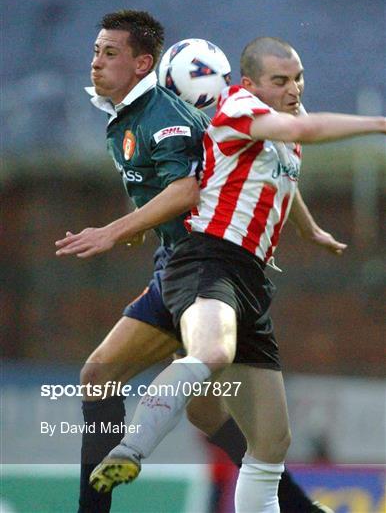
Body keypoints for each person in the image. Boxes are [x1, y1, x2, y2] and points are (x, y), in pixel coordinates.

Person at [86, 36, 386, 512]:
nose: (294, 89)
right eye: (281, 81)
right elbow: (304, 136)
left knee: (270, 444)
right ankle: (130, 448)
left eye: (299, 78)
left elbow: (281, 175)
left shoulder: (281, 125)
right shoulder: (239, 108)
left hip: (250, 279)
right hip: (209, 260)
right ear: (248, 83)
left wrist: (310, 231)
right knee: (212, 351)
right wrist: (377, 123)